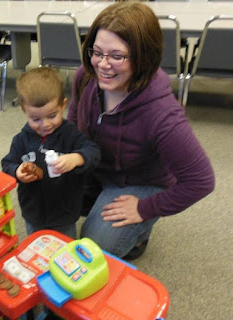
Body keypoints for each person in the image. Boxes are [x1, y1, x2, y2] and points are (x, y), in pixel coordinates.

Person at [67, 2, 215, 259]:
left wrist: (145, 208)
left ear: (143, 57)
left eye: (117, 56)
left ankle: (140, 233)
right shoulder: (86, 77)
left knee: (95, 248)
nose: (102, 64)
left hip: (139, 181)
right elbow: (72, 118)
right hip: (96, 164)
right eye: (97, 52)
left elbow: (202, 181)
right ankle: (96, 198)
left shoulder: (162, 115)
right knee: (45, 195)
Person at [1, 67, 101, 239]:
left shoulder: (70, 134)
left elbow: (93, 152)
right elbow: (7, 164)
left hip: (64, 212)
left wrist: (76, 158)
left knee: (65, 249)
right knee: (37, 247)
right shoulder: (21, 140)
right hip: (33, 212)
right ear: (25, 112)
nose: (45, 124)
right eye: (36, 119)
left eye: (52, 115)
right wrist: (18, 171)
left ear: (63, 105)